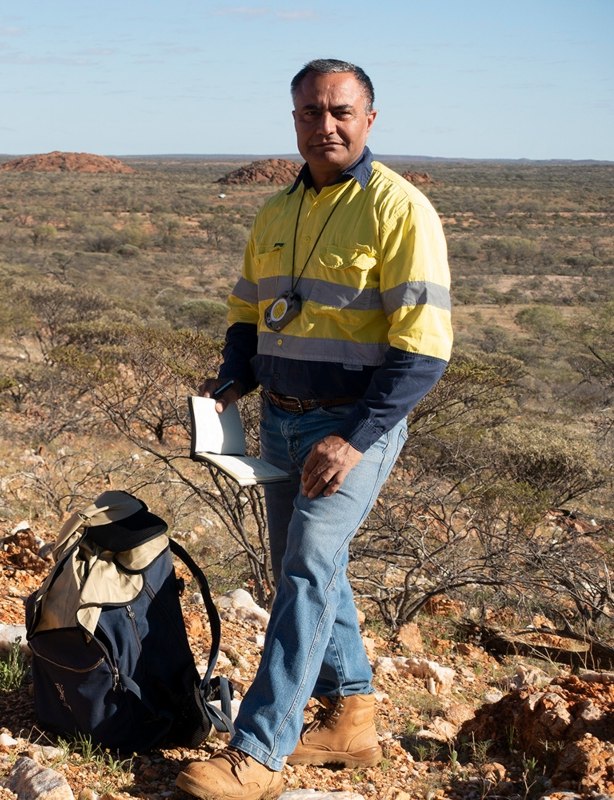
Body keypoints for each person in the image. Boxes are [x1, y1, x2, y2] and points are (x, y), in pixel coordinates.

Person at [176, 59, 453, 800]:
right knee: (311, 567)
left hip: (351, 427)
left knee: (304, 571)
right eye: (308, 112)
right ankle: (350, 718)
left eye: (339, 111)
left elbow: (425, 352)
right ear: (292, 118)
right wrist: (235, 377)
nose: (323, 125)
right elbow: (247, 314)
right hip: (281, 422)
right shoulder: (275, 212)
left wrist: (355, 438)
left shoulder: (401, 210)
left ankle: (260, 750)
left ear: (369, 117)